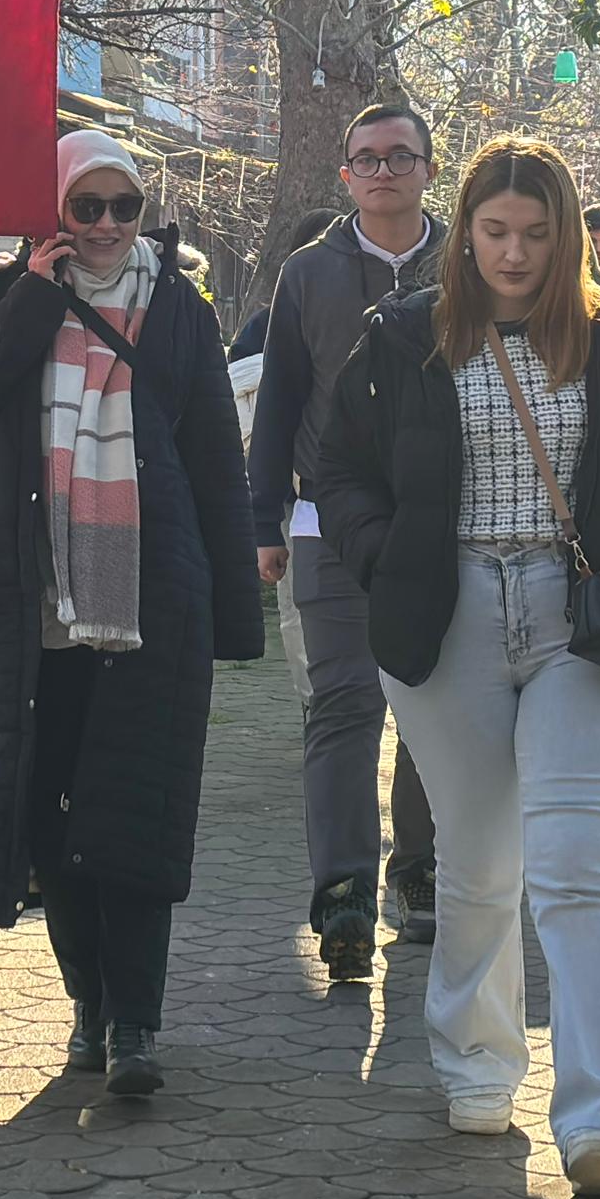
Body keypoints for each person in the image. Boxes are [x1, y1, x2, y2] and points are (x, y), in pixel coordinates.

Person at [311, 138, 600, 1195]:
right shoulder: (401, 335)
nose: (513, 254)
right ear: (463, 230)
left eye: (534, 234)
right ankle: (476, 1062)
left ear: (565, 235)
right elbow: (334, 466)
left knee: (574, 862)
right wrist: (382, 555)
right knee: (477, 864)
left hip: (584, 620)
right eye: (493, 233)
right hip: (448, 613)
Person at [0, 131, 262, 1097]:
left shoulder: (181, 307)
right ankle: (89, 1009)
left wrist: (236, 610)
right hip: (33, 602)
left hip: (153, 597)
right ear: (55, 212)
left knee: (137, 811)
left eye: (124, 209)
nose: (107, 227)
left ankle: (137, 1028)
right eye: (87, 208)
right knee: (54, 811)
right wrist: (36, 292)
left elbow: (212, 465)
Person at [247, 98, 449, 977]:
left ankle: (418, 873)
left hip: (445, 526)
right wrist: (264, 521)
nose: (382, 172)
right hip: (326, 524)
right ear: (345, 175)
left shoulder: (469, 261)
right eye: (365, 159)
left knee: (431, 710)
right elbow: (280, 400)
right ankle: (343, 901)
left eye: (399, 157)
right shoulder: (307, 273)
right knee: (341, 709)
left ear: (428, 169)